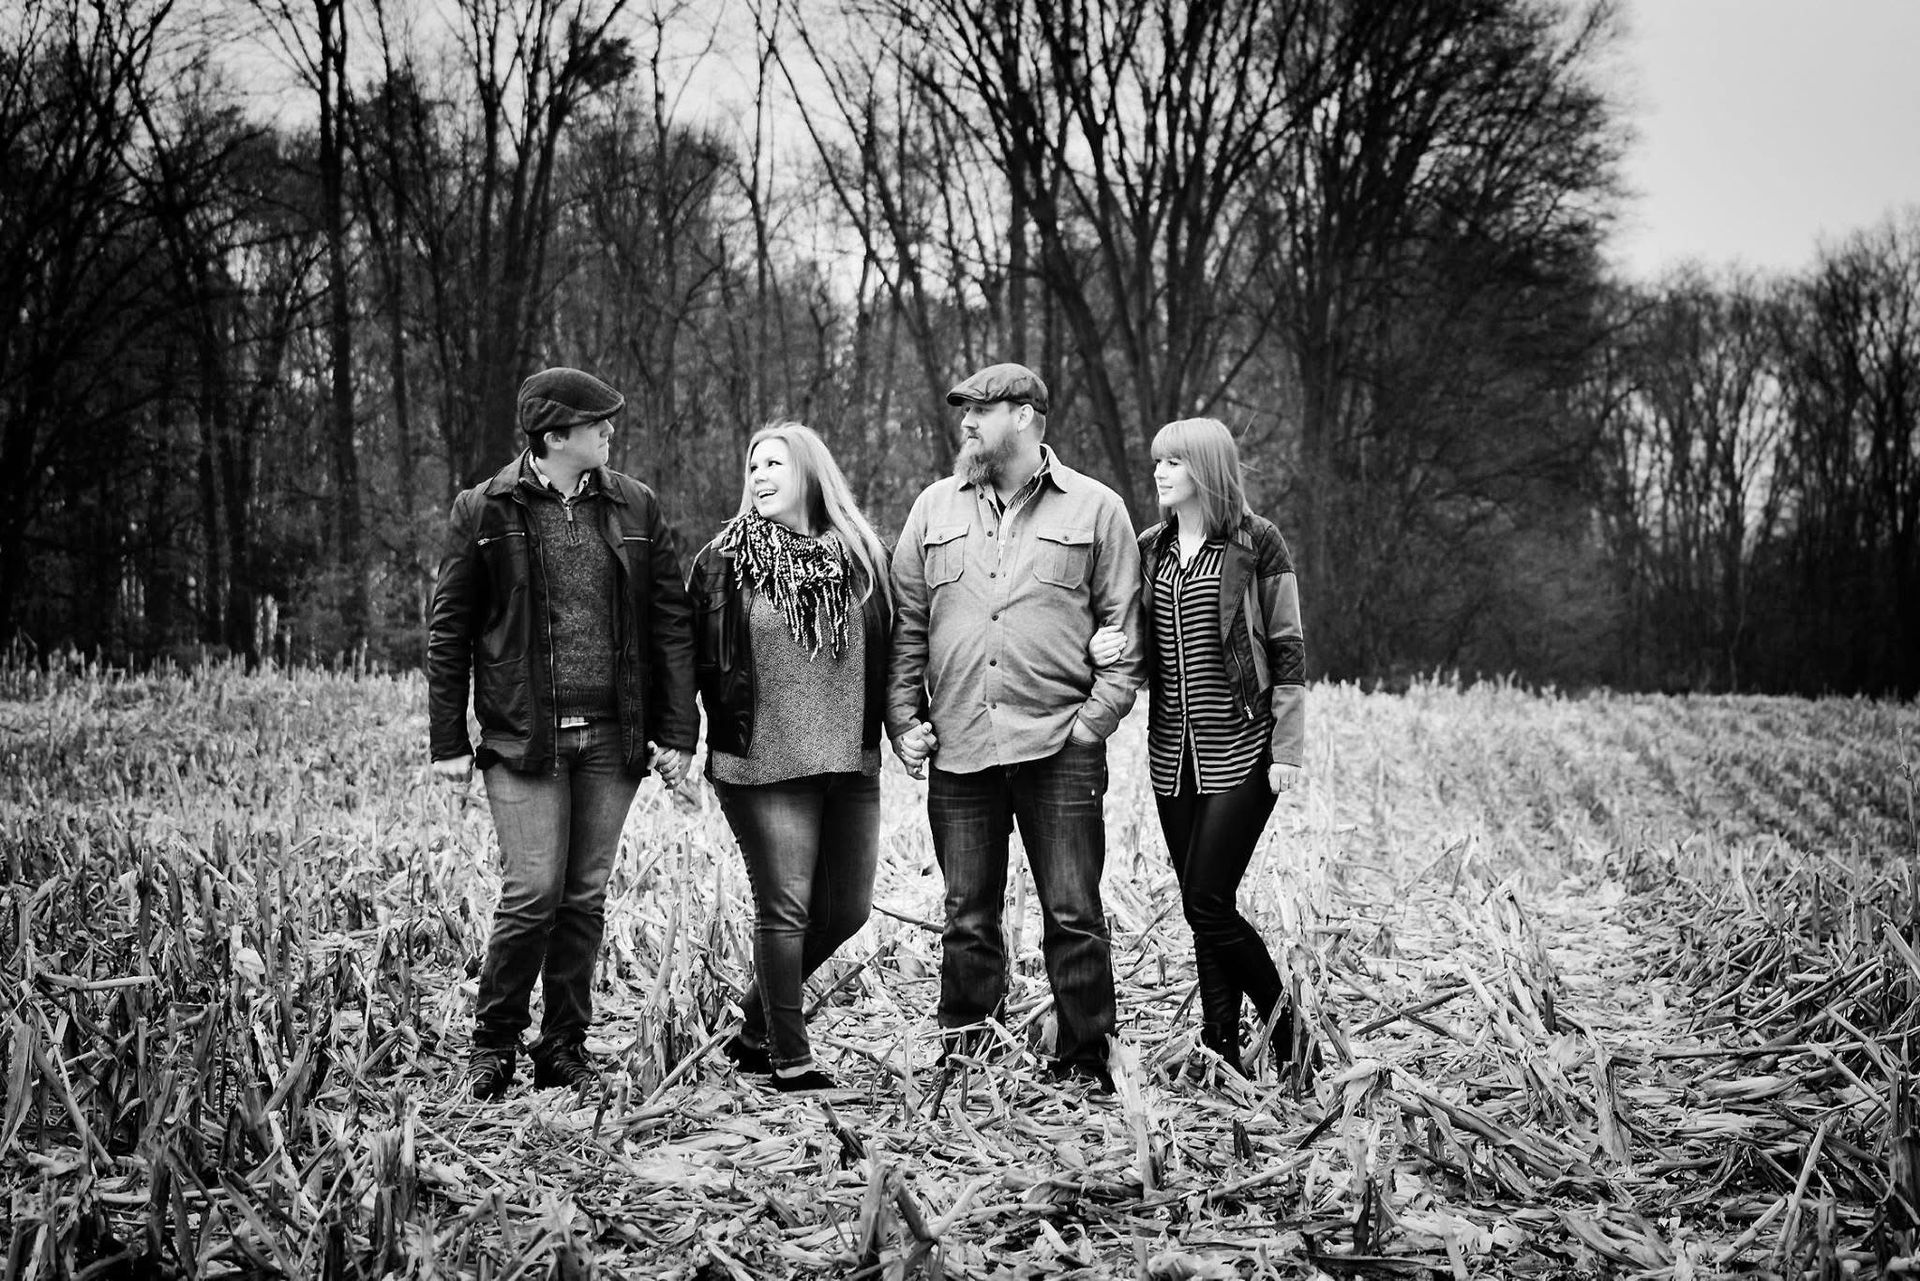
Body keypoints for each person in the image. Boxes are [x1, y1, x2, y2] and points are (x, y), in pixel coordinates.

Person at [427, 367, 697, 1101]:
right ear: (554, 436)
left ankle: (562, 1046)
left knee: (583, 896)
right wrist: (447, 741)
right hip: (524, 737)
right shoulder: (484, 509)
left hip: (614, 737)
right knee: (533, 891)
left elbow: (670, 624)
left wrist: (678, 732)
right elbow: (450, 631)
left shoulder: (635, 504)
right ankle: (494, 1042)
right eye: (596, 423)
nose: (610, 431)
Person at [888, 362, 1144, 1094]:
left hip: (1059, 744)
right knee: (967, 914)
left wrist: (1092, 724)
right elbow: (908, 625)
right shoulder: (933, 508)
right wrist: (903, 717)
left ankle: (1086, 1060)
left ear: (1026, 416)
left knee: (1073, 911)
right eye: (963, 410)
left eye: (981, 410)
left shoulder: (1096, 509)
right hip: (961, 744)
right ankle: (967, 1057)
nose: (966, 423)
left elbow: (1127, 633)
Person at [687, 422, 892, 1093]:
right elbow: (688, 658)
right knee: (785, 911)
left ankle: (751, 1026)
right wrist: (676, 737)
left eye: (775, 463)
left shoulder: (863, 557)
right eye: (753, 465)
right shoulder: (723, 562)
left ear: (810, 471)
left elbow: (895, 650)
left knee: (848, 909)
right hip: (761, 764)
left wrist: (904, 724)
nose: (760, 475)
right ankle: (788, 1057)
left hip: (848, 761)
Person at [1126, 416, 1310, 1081]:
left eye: (1173, 461)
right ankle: (1221, 1047)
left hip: (1244, 748)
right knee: (1209, 905)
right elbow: (1135, 637)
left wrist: (1287, 747)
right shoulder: (1150, 548)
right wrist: (1108, 645)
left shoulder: (1258, 542)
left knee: (1204, 901)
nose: (1159, 472)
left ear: (1206, 468)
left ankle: (1289, 1031)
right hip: (1172, 754)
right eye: (1157, 461)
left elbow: (1287, 647)